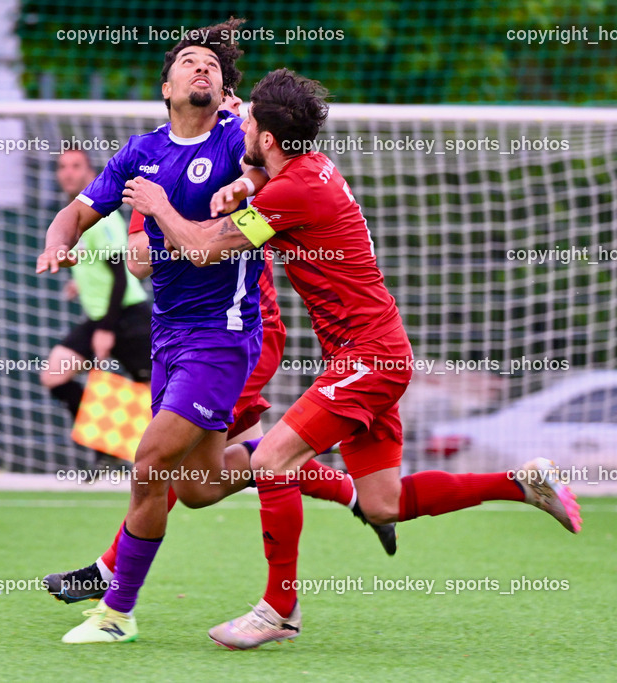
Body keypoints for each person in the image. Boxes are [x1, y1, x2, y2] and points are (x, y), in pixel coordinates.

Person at [122, 68, 583, 650]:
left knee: (273, 463)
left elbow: (203, 248)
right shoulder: (303, 169)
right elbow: (258, 173)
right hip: (376, 353)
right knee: (383, 502)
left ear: (266, 135)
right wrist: (242, 176)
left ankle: (278, 610)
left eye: (248, 121)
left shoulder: (293, 192)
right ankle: (520, 484)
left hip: (367, 358)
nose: (239, 125)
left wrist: (161, 205)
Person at [36, 21, 386, 645]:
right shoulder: (140, 153)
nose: (202, 69)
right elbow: (85, 214)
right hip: (170, 337)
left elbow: (268, 168)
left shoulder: (237, 137)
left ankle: (116, 612)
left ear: (227, 89)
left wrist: (241, 187)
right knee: (198, 488)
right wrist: (60, 241)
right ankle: (284, 460)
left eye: (212, 66)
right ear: (165, 86)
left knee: (148, 461)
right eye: (189, 63)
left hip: (224, 335)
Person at [39, 149, 151, 467]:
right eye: (62, 167)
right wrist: (81, 282)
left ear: (91, 173)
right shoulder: (74, 214)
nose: (68, 173)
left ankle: (155, 457)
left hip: (127, 316)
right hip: (100, 316)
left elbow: (118, 271)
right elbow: (99, 263)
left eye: (76, 166)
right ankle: (106, 444)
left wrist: (105, 329)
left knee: (155, 397)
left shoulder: (101, 214)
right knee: (54, 376)